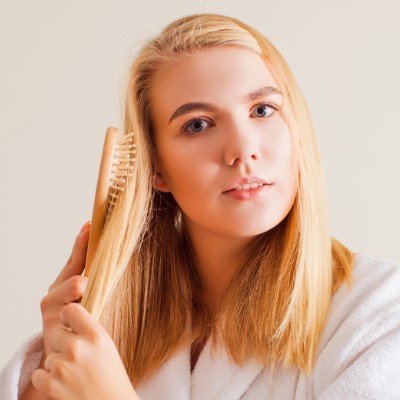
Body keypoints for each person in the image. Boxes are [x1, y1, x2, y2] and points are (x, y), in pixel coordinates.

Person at [1, 13, 400, 400]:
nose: (243, 150)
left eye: (262, 110)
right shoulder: (108, 328)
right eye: (198, 124)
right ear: (155, 167)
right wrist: (45, 378)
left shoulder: (377, 313)